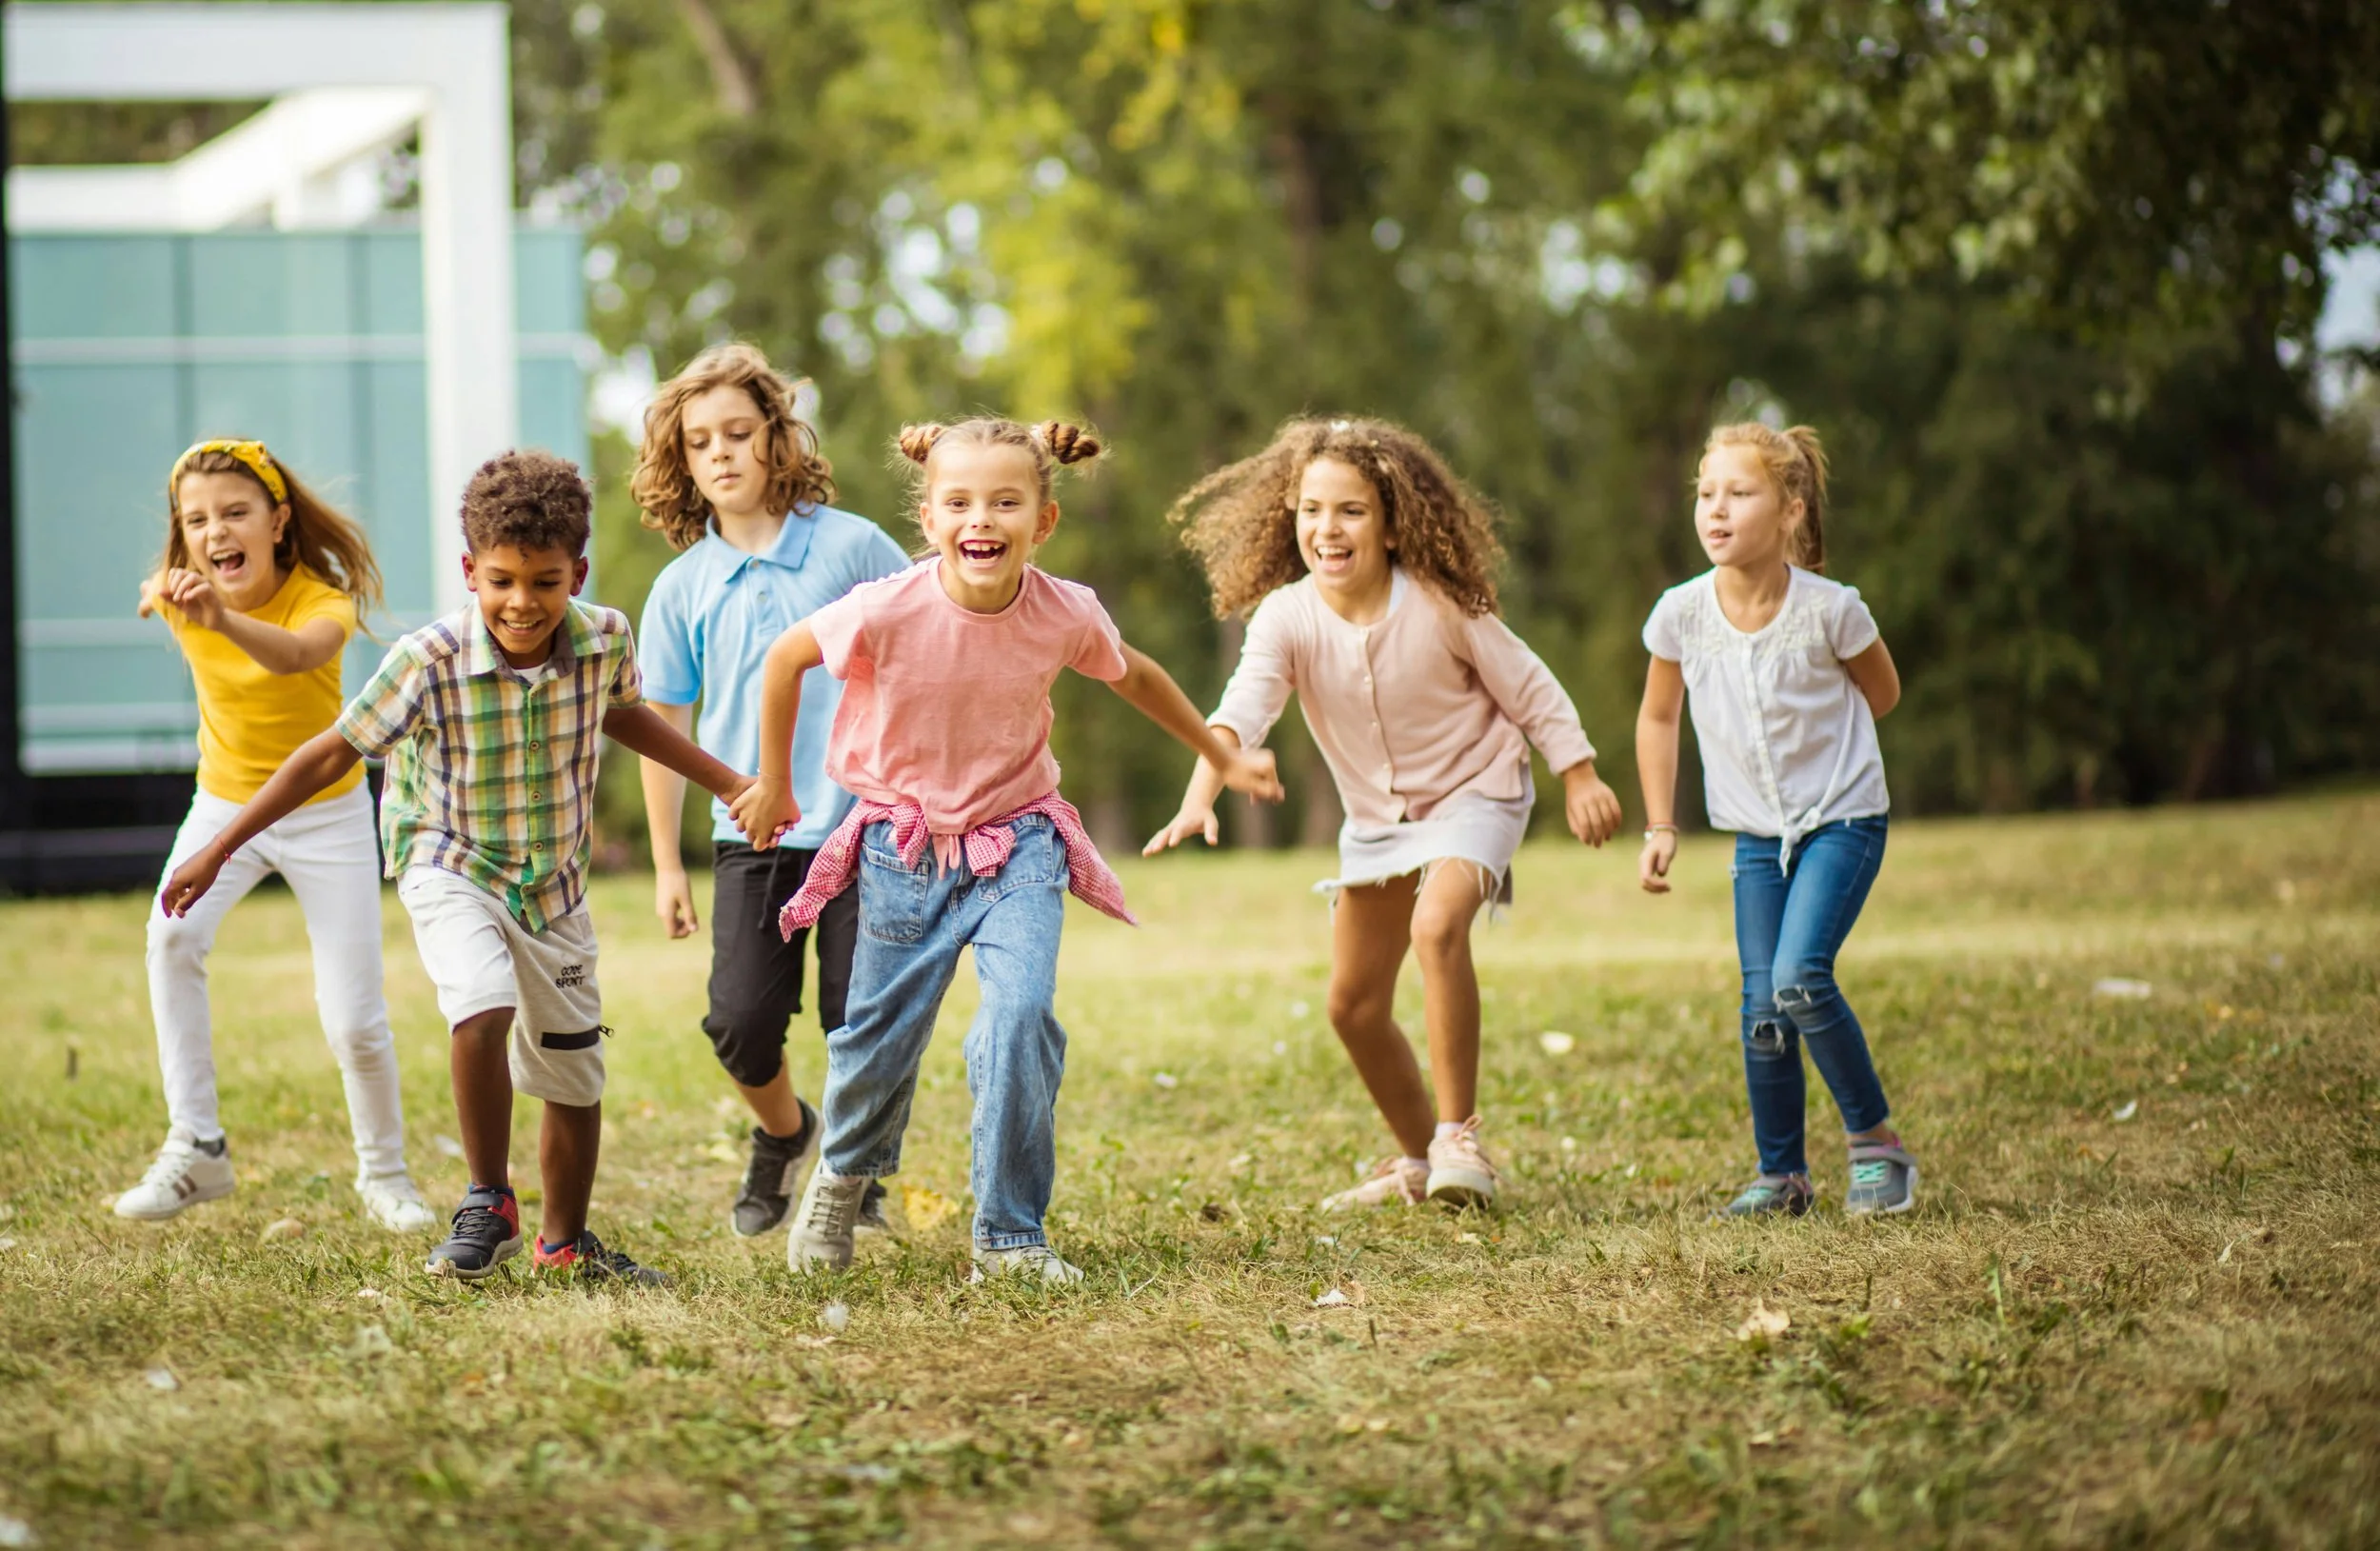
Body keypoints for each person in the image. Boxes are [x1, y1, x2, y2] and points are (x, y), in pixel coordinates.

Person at [161, 449, 751, 1282]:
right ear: (471, 570)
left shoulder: (604, 637)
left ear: (576, 572)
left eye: (546, 582)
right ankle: (487, 1199)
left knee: (574, 1075)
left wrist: (732, 781)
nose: (523, 603)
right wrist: (216, 848)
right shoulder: (427, 658)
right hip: (447, 857)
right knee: (481, 1003)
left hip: (552, 884)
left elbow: (627, 718)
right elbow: (326, 754)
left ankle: (563, 1243)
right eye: (503, 580)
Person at [729, 417, 1283, 1283]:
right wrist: (774, 781)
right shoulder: (888, 606)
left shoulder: (1064, 609)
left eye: (1004, 501)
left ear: (1042, 522)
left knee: (1022, 1015)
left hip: (1019, 841)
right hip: (902, 850)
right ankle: (842, 1173)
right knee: (877, 1040)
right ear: (929, 518)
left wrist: (1219, 753)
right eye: (959, 502)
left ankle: (1010, 1232)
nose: (980, 518)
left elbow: (1134, 674)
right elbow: (784, 656)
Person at [1150, 417, 1622, 1212]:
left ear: (1393, 522)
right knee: (1353, 1005)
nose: (1326, 529)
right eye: (1309, 510)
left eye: (1350, 511)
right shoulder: (1287, 617)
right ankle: (1416, 1158)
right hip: (1379, 822)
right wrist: (1203, 793)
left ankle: (1459, 1136)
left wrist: (1579, 773)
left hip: (1478, 791)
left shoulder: (1440, 604)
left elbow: (1530, 686)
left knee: (1438, 927)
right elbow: (1238, 716)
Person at [116, 438, 434, 1233]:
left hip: (326, 815)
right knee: (170, 941)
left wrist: (215, 617)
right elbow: (152, 590)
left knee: (354, 1020)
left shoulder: (321, 600)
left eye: (235, 512)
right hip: (224, 804)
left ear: (277, 520)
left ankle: (385, 1176)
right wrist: (161, 594)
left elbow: (296, 660)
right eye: (197, 520)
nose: (216, 531)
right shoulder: (184, 592)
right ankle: (198, 1145)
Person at [632, 343, 909, 1239]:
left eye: (739, 433)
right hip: (747, 835)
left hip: (862, 827)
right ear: (682, 463)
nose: (721, 454)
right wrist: (668, 862)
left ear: (776, 438)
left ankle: (855, 1175)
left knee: (854, 1013)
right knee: (739, 1023)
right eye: (700, 442)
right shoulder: (681, 588)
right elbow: (664, 729)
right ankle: (787, 1134)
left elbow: (918, 658)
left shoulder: (853, 544)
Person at [1635, 423, 1915, 1217]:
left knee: (1798, 978)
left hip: (1842, 820)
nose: (1716, 510)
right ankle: (1783, 1174)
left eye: (1740, 492)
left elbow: (1882, 694)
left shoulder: (1832, 610)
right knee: (1762, 1010)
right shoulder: (1681, 614)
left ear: (1790, 508)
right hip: (1757, 838)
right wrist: (1662, 826)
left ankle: (1876, 1145)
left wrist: (1833, 750)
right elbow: (1658, 719)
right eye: (1706, 493)